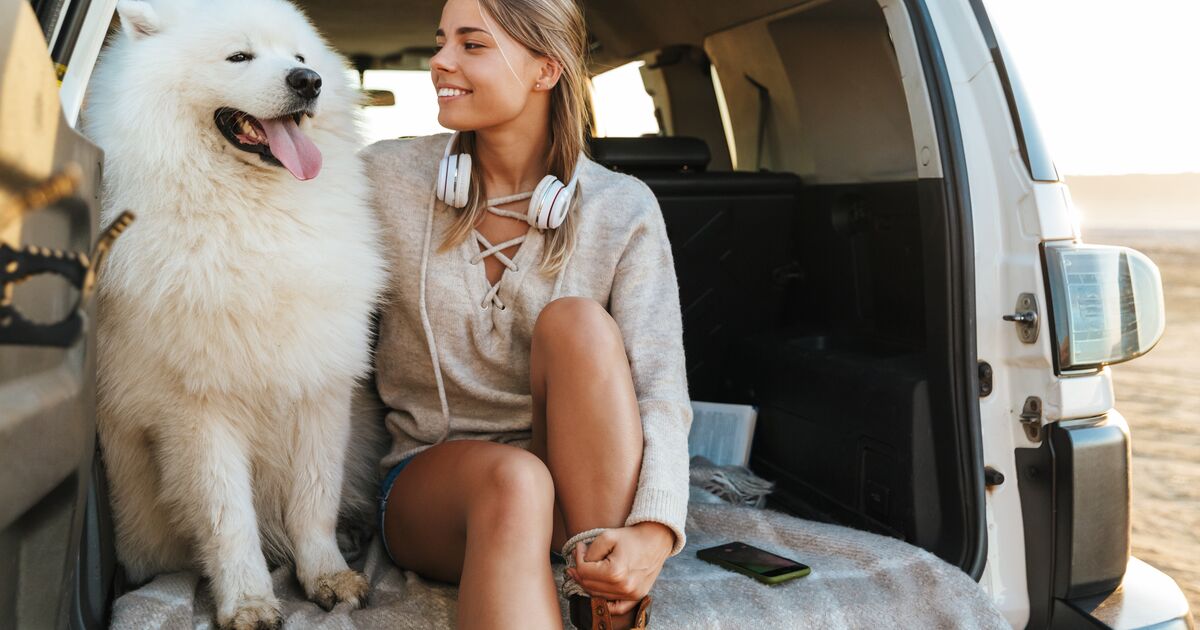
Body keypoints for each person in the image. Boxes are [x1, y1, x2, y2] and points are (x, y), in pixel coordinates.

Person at [361, 0, 691, 627]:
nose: (440, 61)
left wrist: (654, 530)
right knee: (515, 480)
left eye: (471, 45)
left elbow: (660, 391)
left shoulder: (624, 209)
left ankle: (607, 602)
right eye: (441, 41)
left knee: (580, 324)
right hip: (433, 489)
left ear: (545, 70)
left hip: (578, 489)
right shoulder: (383, 179)